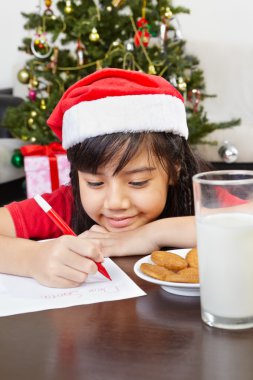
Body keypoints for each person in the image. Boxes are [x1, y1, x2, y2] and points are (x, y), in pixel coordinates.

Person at [0, 68, 210, 288]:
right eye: (95, 183)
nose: (115, 203)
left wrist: (150, 235)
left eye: (137, 182)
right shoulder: (66, 204)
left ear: (174, 169)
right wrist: (32, 259)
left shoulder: (198, 193)